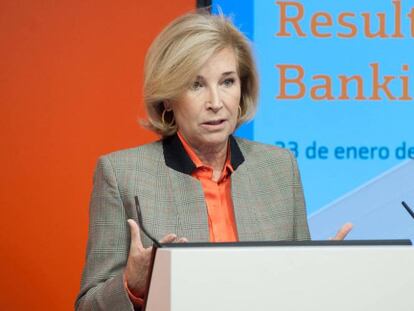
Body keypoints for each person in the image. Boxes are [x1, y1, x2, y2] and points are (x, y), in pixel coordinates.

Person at [75, 11, 352, 311]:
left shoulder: (279, 168)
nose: (216, 102)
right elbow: (88, 306)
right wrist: (132, 286)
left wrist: (322, 276)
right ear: (167, 97)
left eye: (227, 82)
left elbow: (297, 292)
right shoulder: (122, 174)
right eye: (196, 85)